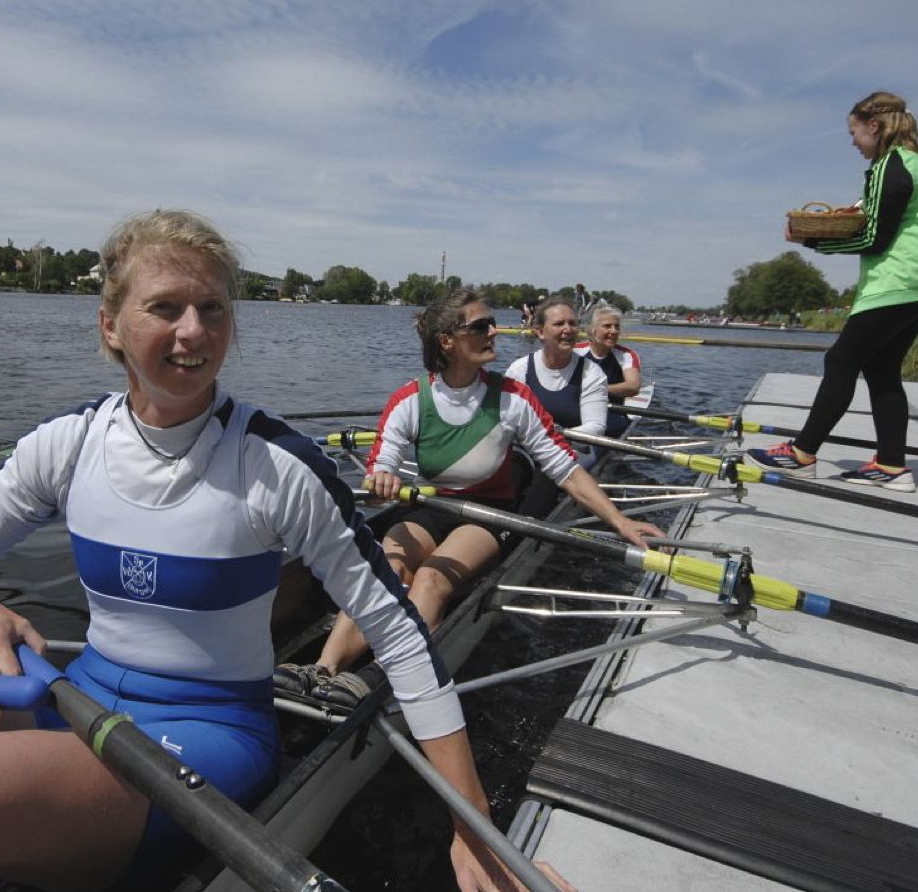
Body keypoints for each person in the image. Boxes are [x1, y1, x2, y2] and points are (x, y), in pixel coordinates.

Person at [0, 211, 578, 892]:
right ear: (109, 326)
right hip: (80, 695)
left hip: (208, 735)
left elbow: (397, 632)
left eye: (212, 309)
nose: (193, 330)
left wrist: (475, 826)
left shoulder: (276, 463)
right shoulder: (66, 443)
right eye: (165, 307)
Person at [275, 288, 661, 707]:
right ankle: (323, 668)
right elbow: (382, 459)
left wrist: (619, 521)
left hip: (489, 511)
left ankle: (380, 673)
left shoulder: (513, 397)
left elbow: (565, 470)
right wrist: (380, 477)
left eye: (491, 323)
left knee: (431, 577)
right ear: (447, 341)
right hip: (431, 504)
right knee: (382, 569)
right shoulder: (410, 399)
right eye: (481, 326)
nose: (494, 331)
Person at [748, 91, 918, 492]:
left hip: (897, 280)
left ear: (874, 126)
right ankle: (891, 466)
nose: (853, 142)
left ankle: (801, 454)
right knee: (882, 370)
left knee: (840, 361)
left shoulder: (891, 163)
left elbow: (875, 237)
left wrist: (812, 241)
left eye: (854, 131)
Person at [505, 297, 608, 517]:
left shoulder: (592, 373)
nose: (568, 329)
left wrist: (547, 438)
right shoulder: (519, 369)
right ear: (540, 331)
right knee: (509, 468)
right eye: (559, 324)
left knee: (549, 472)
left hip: (577, 447)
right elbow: (506, 420)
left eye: (572, 323)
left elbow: (596, 427)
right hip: (528, 446)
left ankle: (521, 530)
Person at [575, 300, 644, 438]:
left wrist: (595, 389)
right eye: (607, 326)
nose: (613, 331)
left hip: (612, 414)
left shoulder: (627, 356)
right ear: (591, 329)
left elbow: (633, 386)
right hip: (577, 410)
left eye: (616, 326)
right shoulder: (575, 351)